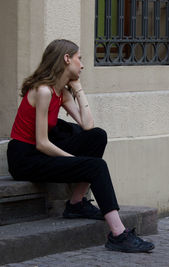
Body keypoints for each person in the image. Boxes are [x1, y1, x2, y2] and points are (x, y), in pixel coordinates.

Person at [7, 39, 154, 253]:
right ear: (67, 59)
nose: (82, 65)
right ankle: (119, 235)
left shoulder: (62, 92)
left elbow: (88, 125)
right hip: (24, 157)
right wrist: (75, 161)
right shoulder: (43, 91)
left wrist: (78, 89)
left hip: (43, 150)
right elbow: (41, 143)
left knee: (97, 136)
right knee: (96, 166)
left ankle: (76, 204)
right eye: (79, 58)